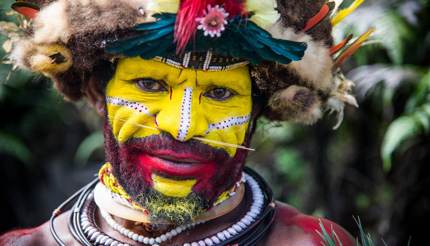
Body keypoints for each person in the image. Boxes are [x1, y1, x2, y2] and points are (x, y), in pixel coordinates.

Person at [1, 0, 372, 245]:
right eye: (149, 84)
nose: (183, 126)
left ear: (258, 109)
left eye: (221, 94)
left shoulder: (314, 242)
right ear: (99, 92)